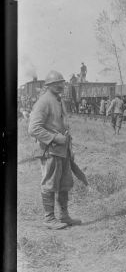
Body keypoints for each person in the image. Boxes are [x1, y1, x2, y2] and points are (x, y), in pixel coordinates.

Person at [28, 70, 81, 229]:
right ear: (48, 85)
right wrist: (56, 138)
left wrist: (67, 145)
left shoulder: (59, 100)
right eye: (56, 84)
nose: (61, 86)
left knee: (65, 183)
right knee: (49, 184)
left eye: (61, 83)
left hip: (63, 151)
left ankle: (64, 216)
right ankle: (49, 219)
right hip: (50, 151)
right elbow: (34, 129)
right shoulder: (43, 102)